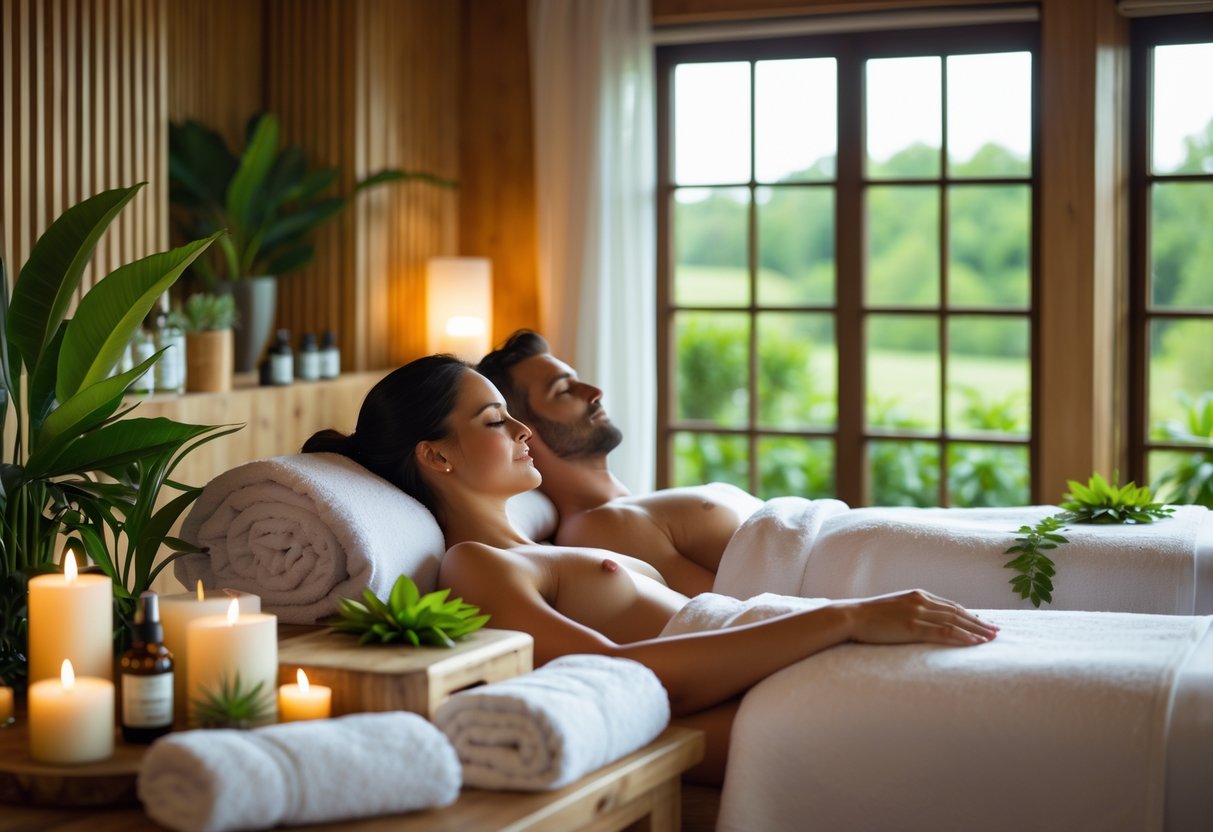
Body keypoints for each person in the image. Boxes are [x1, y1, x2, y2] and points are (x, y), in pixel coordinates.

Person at [303, 355, 998, 784]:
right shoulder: (474, 565)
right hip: (769, 685)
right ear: (436, 457)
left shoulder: (534, 546)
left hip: (780, 655)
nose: (522, 431)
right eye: (494, 420)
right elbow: (627, 682)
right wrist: (844, 617)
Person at [477, 330, 758, 596]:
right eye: (563, 390)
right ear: (523, 430)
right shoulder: (600, 526)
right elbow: (733, 617)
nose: (594, 391)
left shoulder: (626, 511)